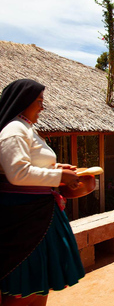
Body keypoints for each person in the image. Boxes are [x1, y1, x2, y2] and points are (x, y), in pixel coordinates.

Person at [0, 79, 84, 306]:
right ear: (23, 102)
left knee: (39, 282)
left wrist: (57, 169)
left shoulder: (27, 129)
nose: (42, 107)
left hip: (41, 214)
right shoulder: (13, 130)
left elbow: (31, 164)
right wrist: (58, 177)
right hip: (24, 218)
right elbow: (17, 173)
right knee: (22, 283)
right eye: (38, 102)